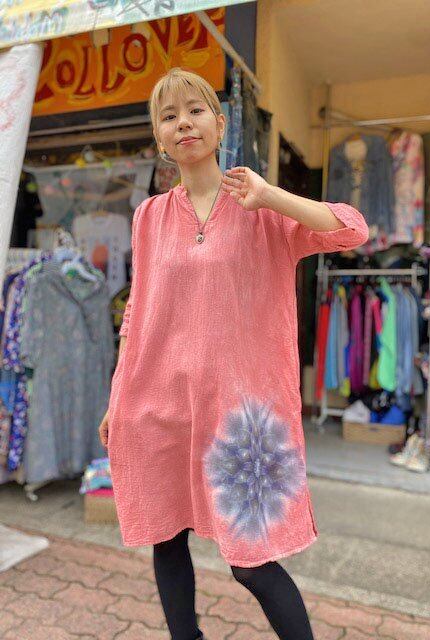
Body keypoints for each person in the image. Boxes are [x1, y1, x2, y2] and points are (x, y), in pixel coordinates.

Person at [98, 67, 368, 640]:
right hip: (160, 404)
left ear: (220, 125)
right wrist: (117, 398)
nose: (183, 123)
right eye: (168, 116)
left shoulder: (259, 205)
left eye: (195, 110)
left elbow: (352, 230)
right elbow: (137, 314)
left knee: (251, 562)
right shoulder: (149, 217)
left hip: (241, 417)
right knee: (166, 536)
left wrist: (270, 195)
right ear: (159, 136)